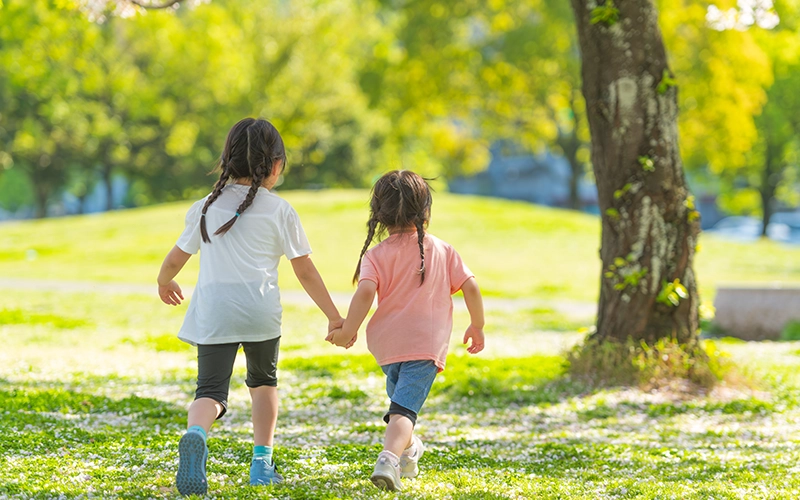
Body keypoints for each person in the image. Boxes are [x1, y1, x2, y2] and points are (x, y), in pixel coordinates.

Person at [157, 118, 343, 496]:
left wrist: (164, 281)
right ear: (276, 164)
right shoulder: (280, 210)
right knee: (263, 386)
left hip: (214, 312)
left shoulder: (204, 208)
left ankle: (196, 433)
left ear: (226, 160)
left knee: (209, 390)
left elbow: (176, 258)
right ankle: (261, 465)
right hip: (259, 313)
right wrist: (334, 315)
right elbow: (305, 270)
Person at [326, 170, 485, 491]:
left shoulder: (376, 254)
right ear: (424, 210)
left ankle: (409, 452)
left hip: (387, 346)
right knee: (403, 410)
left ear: (379, 213)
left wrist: (347, 330)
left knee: (402, 406)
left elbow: (366, 292)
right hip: (425, 347)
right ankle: (389, 459)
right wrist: (477, 325)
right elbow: (471, 286)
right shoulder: (443, 249)